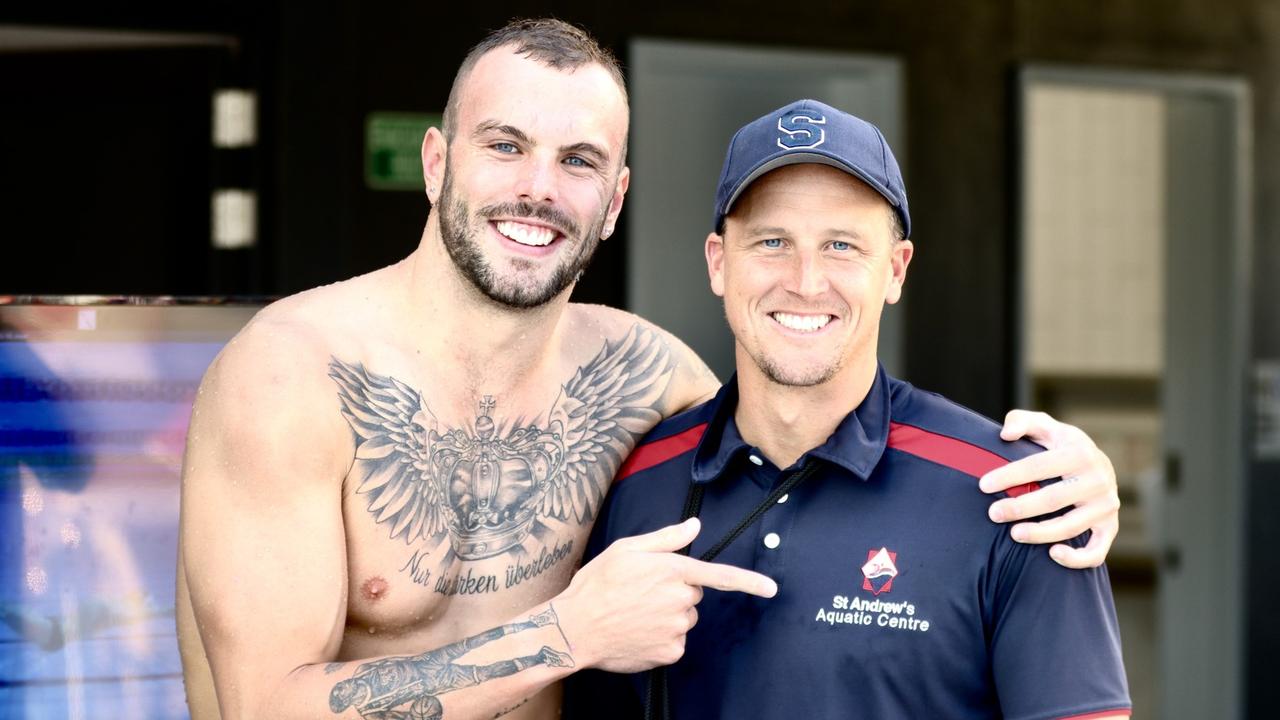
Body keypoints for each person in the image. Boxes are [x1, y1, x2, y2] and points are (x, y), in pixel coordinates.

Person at [176, 20, 1123, 720]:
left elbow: (794, 414)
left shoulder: (640, 381)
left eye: (578, 160)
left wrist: (1077, 482)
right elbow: (263, 707)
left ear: (617, 198)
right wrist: (567, 635)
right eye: (505, 146)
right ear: (436, 162)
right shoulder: (293, 376)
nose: (539, 188)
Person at [567, 100, 1131, 719]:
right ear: (718, 262)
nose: (806, 281)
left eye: (841, 245)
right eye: (772, 240)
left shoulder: (1020, 498)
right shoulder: (629, 483)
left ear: (894, 270)